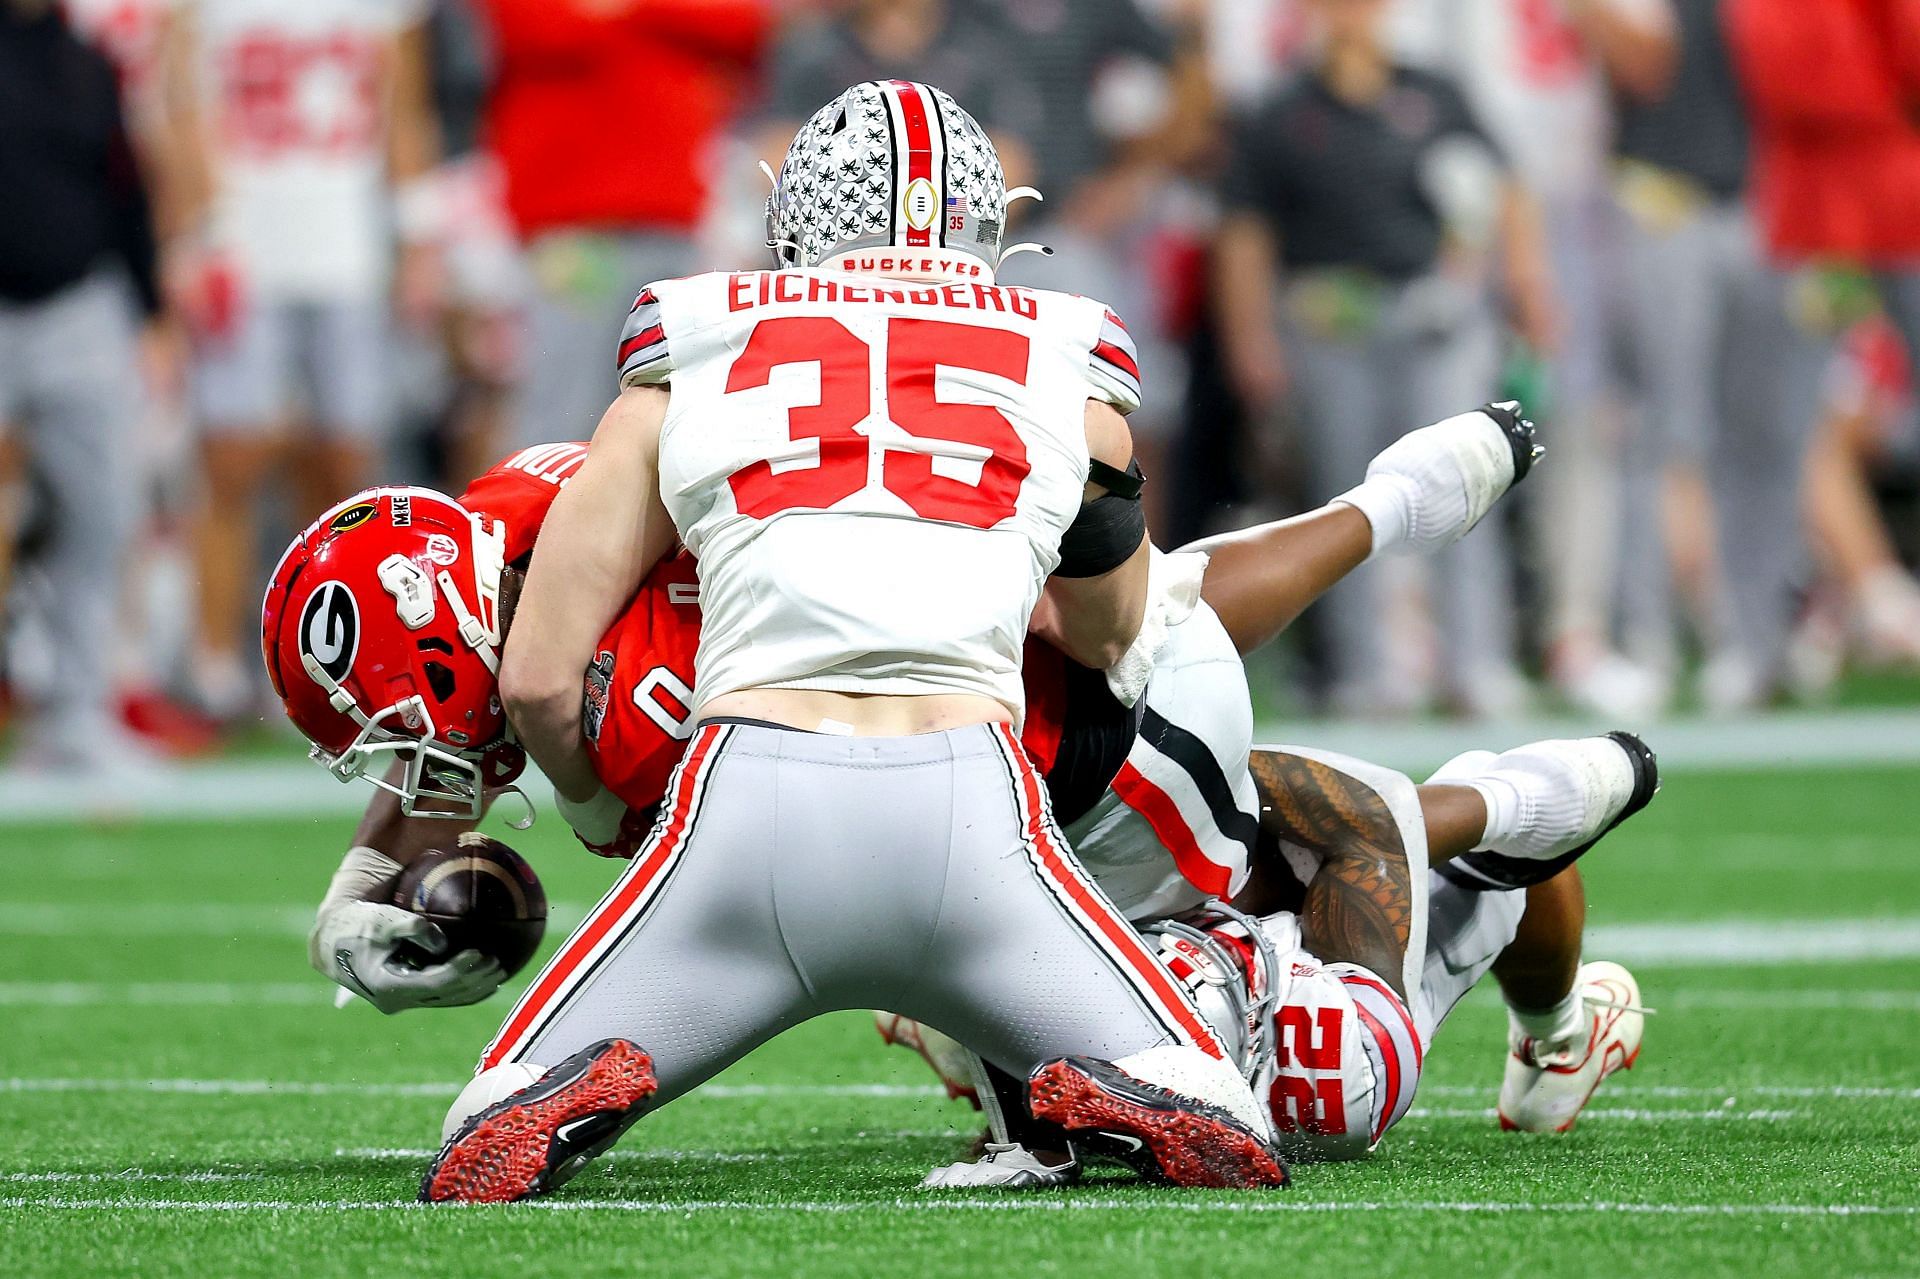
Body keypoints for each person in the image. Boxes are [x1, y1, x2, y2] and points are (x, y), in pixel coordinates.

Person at [458, 79, 1303, 1198]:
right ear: (985, 218)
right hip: (972, 811)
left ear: (796, 210)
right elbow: (1112, 636)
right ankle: (1106, 1061)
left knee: (489, 1115)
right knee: (1211, 1103)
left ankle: (576, 1067)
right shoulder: (1069, 355)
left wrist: (594, 800)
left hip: (745, 807)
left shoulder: (690, 344)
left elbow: (536, 681)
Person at [1212, 0, 1554, 717]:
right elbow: (1245, 234)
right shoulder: (1278, 112)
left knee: (1466, 483)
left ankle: (1475, 661)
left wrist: (1524, 282)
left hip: (1431, 311)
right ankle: (1369, 671)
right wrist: (1250, 338)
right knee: (1347, 503)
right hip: (1330, 322)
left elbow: (1505, 187)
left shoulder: (1433, 92)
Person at [183, 0, 440, 725]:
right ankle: (214, 668)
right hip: (245, 244)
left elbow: (403, 108)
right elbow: (181, 107)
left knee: (346, 465)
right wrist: (198, 236)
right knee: (231, 454)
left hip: (346, 247)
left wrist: (417, 235)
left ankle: (327, 662)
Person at [478, 0, 768, 453]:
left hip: (669, 217)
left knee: (674, 400)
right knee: (563, 406)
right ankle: (536, 521)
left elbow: (740, 23)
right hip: (571, 224)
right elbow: (540, 28)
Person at [0, 0, 157, 772]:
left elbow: (126, 186)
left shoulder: (88, 60)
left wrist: (153, 309)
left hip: (80, 307)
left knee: (102, 513)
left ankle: (78, 714)